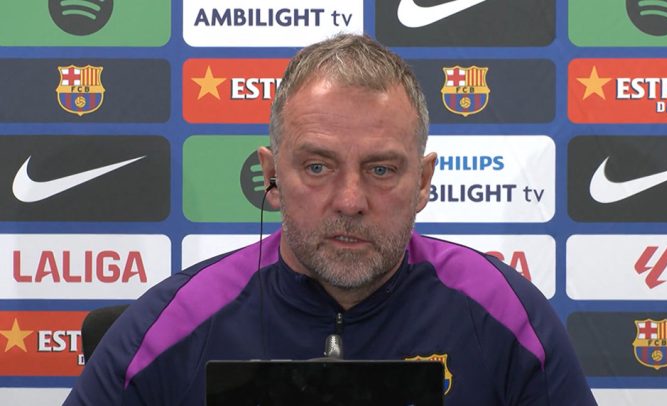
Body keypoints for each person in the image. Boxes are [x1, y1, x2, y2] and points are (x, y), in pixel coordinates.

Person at [64, 34, 596, 405]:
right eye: (317, 167)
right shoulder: (175, 322)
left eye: (381, 169)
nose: (349, 200)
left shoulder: (506, 314)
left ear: (423, 182)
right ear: (272, 176)